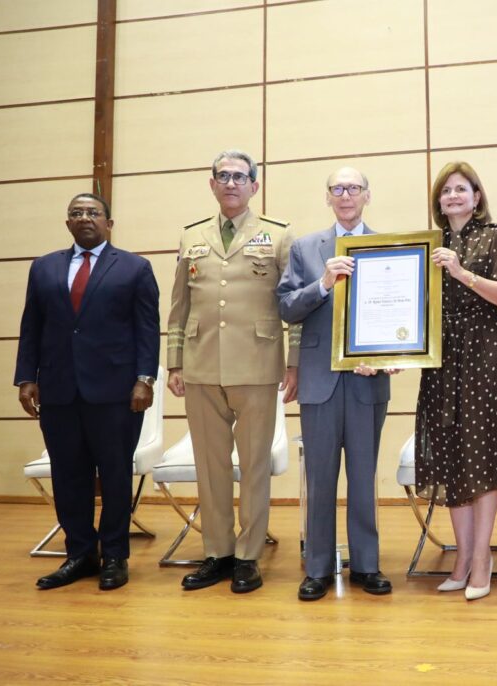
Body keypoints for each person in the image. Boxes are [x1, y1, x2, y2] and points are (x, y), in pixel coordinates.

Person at [167, 150, 297, 594]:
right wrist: (175, 362)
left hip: (258, 366)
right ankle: (217, 553)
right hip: (202, 365)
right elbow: (179, 306)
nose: (231, 183)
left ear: (254, 186)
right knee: (210, 466)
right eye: (223, 176)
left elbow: (294, 306)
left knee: (255, 465)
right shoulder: (192, 236)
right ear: (212, 183)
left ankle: (247, 556)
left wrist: (293, 363)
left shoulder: (279, 236)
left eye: (240, 177)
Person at [15, 192, 160, 591]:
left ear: (109, 223)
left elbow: (147, 329)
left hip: (116, 393)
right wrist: (26, 377)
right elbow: (32, 327)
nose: (84, 218)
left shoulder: (134, 268)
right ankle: (80, 553)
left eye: (93, 213)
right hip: (59, 391)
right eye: (76, 213)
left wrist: (145, 379)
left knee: (114, 475)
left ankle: (114, 555)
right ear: (67, 224)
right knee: (68, 476)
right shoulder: (43, 268)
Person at [277, 167, 395, 601]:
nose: (346, 195)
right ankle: (319, 567)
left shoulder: (390, 249)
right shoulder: (306, 248)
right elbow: (287, 307)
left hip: (368, 381)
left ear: (368, 194)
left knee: (364, 477)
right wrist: (323, 284)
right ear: (328, 197)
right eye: (337, 189)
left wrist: (390, 357)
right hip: (318, 380)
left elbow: (400, 314)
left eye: (354, 188)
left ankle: (367, 564)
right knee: (320, 477)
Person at [415, 161, 497, 601]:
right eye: (446, 191)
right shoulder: (427, 245)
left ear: (477, 197)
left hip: (486, 356)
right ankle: (461, 559)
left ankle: (482, 559)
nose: (453, 197)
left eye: (462, 189)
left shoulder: (495, 236)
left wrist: (462, 273)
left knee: (483, 461)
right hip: (441, 359)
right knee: (451, 460)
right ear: (438, 202)